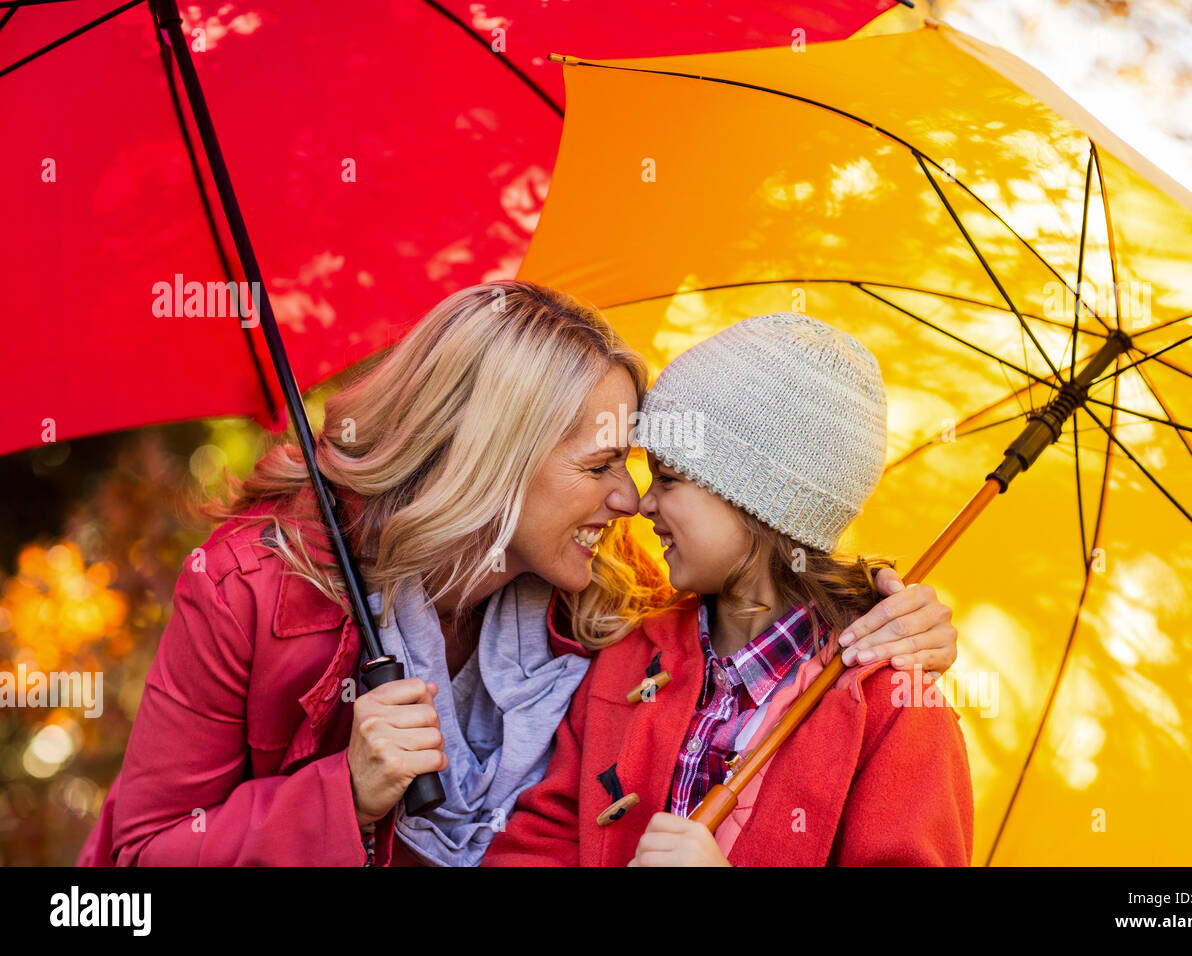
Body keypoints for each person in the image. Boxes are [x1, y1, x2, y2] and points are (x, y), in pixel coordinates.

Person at [77, 284, 961, 867]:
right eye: (605, 467)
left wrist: (900, 619)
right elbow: (134, 868)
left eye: (658, 476)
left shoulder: (610, 599)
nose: (631, 502)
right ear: (498, 460)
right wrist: (339, 795)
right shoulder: (252, 589)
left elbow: (774, 599)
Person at [482, 313, 974, 866]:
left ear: (760, 504)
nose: (642, 503)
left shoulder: (894, 708)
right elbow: (542, 839)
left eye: (669, 479)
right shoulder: (628, 656)